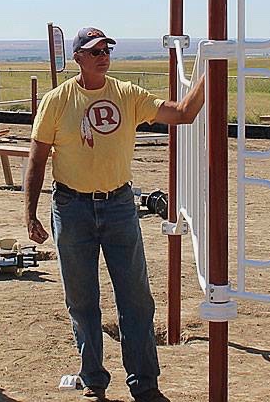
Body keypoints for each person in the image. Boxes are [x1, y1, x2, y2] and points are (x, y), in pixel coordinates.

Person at [24, 27, 205, 402]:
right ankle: (93, 378)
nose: (102, 55)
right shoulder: (57, 101)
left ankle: (145, 384)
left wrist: (212, 71)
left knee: (136, 297)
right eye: (94, 51)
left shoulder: (126, 95)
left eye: (106, 49)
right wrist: (30, 214)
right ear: (79, 58)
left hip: (120, 205)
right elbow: (37, 157)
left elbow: (183, 113)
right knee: (82, 298)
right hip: (71, 208)